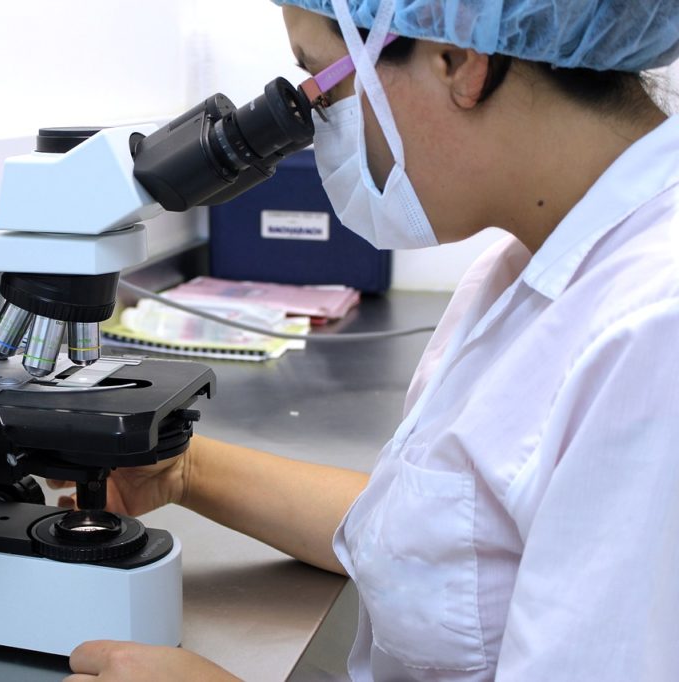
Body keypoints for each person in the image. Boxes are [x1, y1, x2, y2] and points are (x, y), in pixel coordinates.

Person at [60, 0, 679, 679]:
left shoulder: (653, 333)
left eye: (322, 84)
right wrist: (184, 470)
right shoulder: (520, 268)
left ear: (458, 62)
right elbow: (448, 535)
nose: (321, 126)